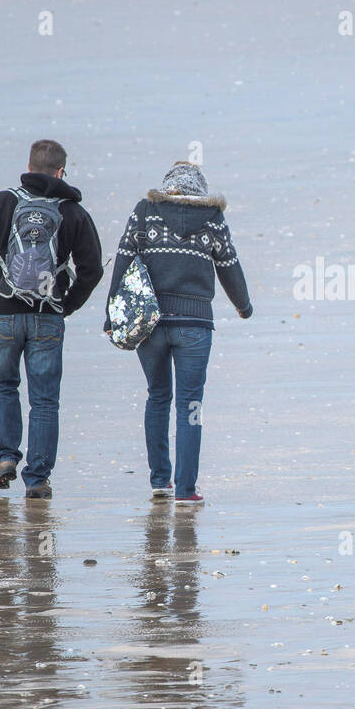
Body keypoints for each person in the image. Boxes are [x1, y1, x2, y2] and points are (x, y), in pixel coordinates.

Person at [0, 139, 104, 499]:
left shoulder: (1, 203)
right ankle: (37, 478)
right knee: (44, 399)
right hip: (47, 318)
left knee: (3, 384)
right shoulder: (72, 212)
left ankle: (5, 458)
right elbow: (92, 269)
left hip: (2, 313)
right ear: (60, 172)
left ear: (29, 166)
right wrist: (67, 304)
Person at [105, 162, 252, 505]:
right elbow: (228, 264)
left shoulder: (145, 211)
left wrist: (112, 314)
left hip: (149, 322)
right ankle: (186, 490)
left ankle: (159, 481)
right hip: (195, 325)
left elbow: (124, 259)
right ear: (199, 189)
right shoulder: (213, 218)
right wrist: (243, 306)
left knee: (158, 397)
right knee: (191, 405)